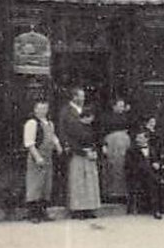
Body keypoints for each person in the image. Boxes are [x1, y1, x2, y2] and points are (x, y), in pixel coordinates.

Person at [57, 86, 102, 219]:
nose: (83, 98)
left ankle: (89, 208)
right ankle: (77, 210)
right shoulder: (66, 111)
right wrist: (69, 147)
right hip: (76, 150)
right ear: (74, 97)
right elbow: (63, 132)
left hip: (88, 150)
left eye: (83, 96)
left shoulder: (85, 110)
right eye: (80, 96)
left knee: (89, 181)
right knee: (77, 181)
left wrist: (94, 149)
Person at [22, 99, 62, 222]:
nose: (42, 111)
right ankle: (33, 214)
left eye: (45, 109)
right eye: (40, 109)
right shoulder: (32, 123)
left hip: (48, 156)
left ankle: (43, 212)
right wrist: (37, 157)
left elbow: (52, 136)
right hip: (37, 156)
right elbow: (29, 143)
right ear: (35, 110)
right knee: (35, 184)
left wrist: (58, 145)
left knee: (46, 185)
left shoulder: (49, 123)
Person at [99, 96, 134, 203]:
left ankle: (123, 193)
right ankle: (111, 194)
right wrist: (103, 145)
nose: (121, 108)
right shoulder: (106, 117)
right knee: (112, 167)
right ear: (114, 106)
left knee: (123, 168)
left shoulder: (127, 117)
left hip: (124, 144)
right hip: (112, 145)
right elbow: (101, 131)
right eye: (119, 106)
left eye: (123, 106)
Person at [128, 119, 162, 220]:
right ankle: (154, 210)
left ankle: (157, 209)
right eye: (137, 138)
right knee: (153, 180)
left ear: (146, 139)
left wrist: (157, 164)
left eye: (140, 138)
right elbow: (130, 165)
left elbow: (157, 160)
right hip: (137, 175)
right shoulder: (131, 150)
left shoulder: (152, 149)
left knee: (154, 181)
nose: (137, 140)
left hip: (150, 175)